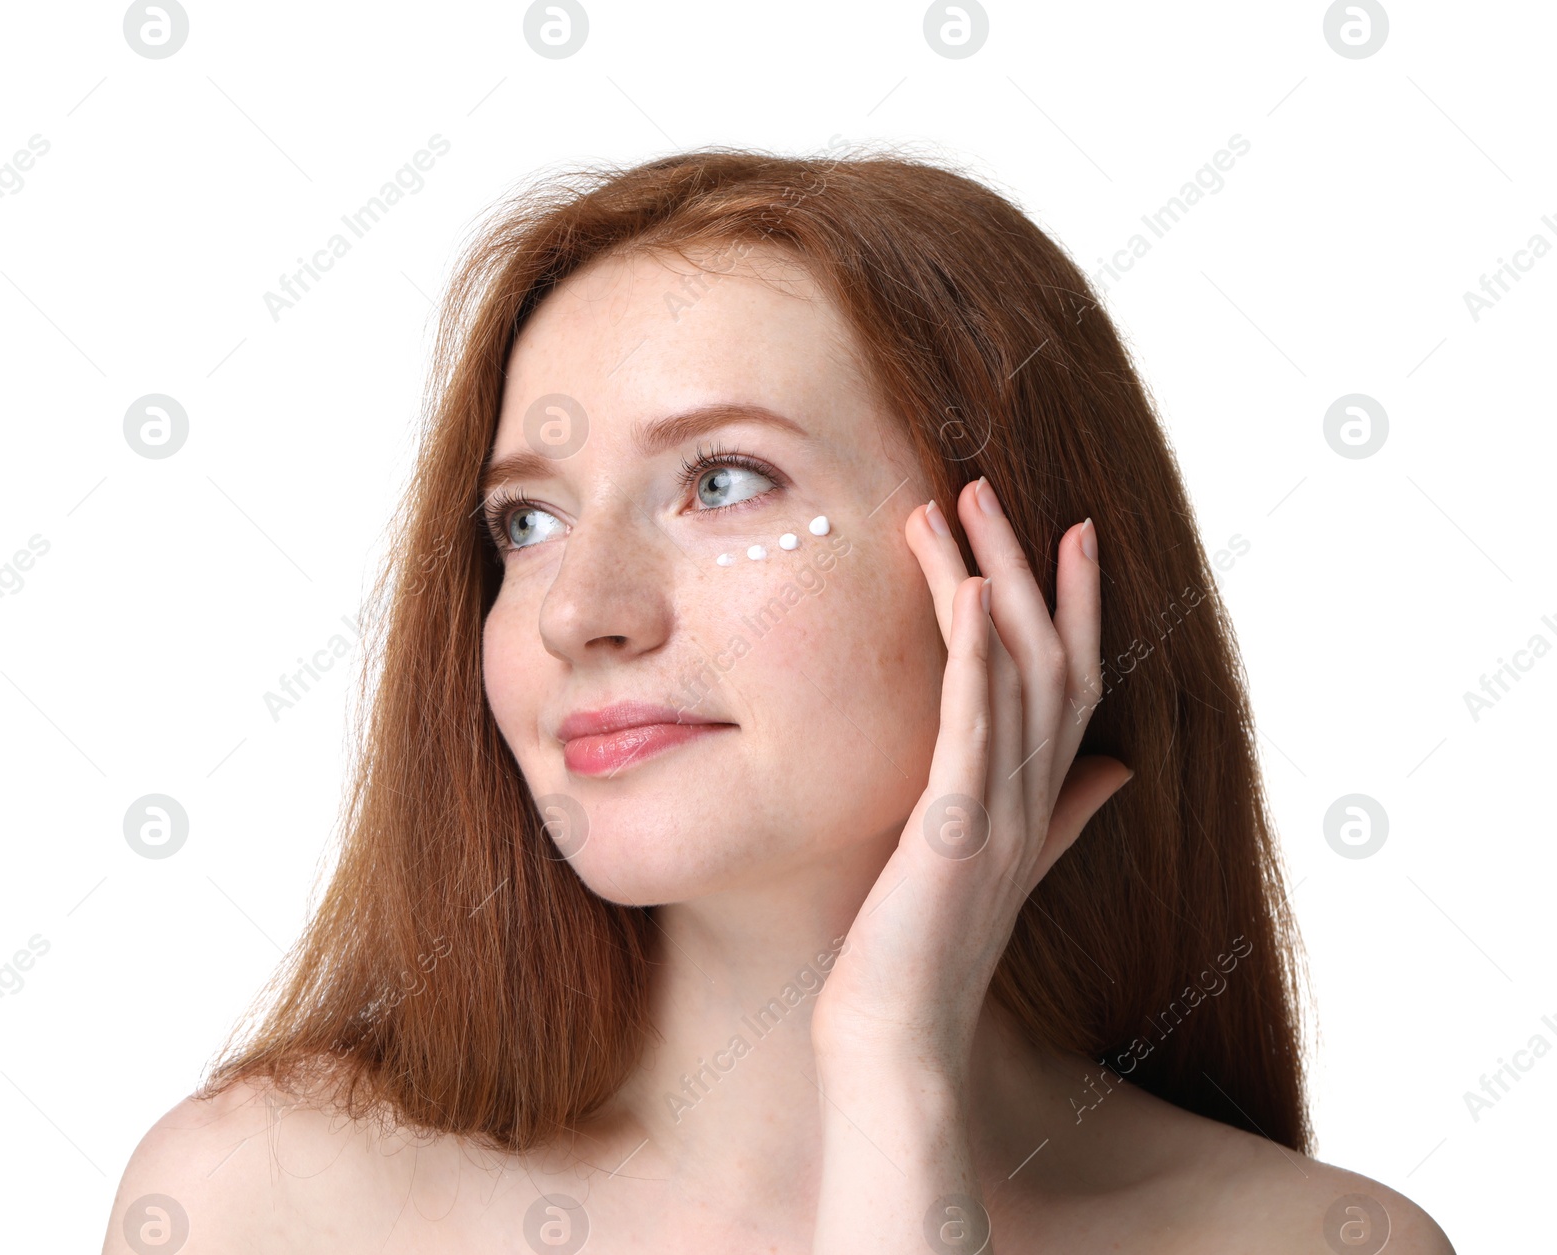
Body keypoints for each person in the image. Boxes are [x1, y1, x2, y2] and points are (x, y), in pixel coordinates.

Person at [103, 147, 1453, 1252]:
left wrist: (889, 1064)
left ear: (1014, 572)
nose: (579, 611)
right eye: (525, 520)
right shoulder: (260, 1206)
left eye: (726, 482)